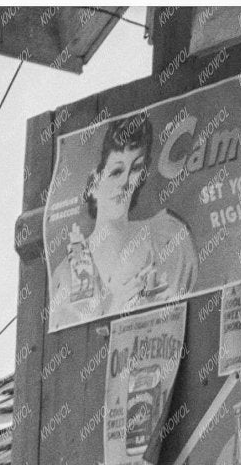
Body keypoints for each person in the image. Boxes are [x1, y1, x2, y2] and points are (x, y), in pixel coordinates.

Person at [50, 112, 197, 324]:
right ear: (93, 185)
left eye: (135, 169)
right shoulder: (71, 272)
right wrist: (114, 306)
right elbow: (71, 345)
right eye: (116, 171)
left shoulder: (165, 238)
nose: (125, 182)